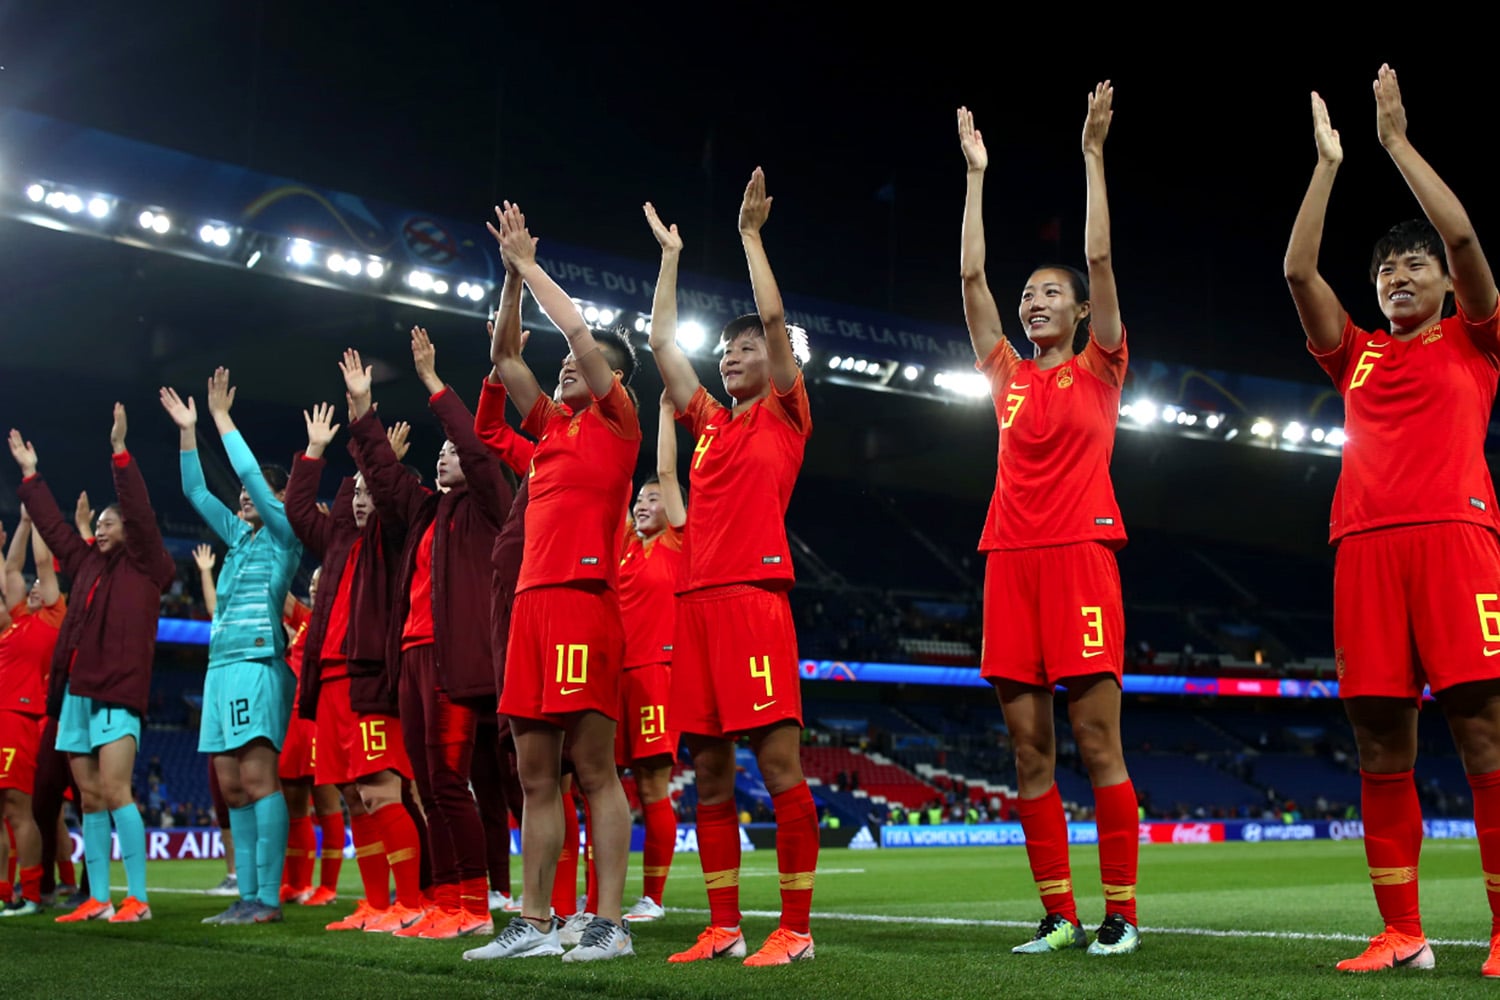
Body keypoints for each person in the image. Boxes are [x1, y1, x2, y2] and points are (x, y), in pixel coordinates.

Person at [1284, 65, 1500, 977]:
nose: (1397, 273)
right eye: (1385, 266)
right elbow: (1298, 269)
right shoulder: (1357, 358)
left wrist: (1396, 143)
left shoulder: (1473, 337)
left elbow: (1457, 231)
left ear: (1447, 287)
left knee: (1482, 732)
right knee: (1380, 740)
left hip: (1455, 538)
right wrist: (1329, 165)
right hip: (1363, 550)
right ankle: (1403, 932)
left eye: (1413, 265)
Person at [957, 86, 1140, 957]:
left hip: (1079, 556)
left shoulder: (1101, 367)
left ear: (1076, 311)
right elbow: (969, 279)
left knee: (1095, 740)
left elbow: (1101, 262)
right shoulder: (1004, 374)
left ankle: (1121, 915)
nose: (1033, 302)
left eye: (1048, 293)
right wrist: (975, 176)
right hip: (1008, 560)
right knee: (1030, 751)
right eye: (1027, 293)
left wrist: (1094, 157)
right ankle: (1059, 913)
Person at [643, 170, 819, 967]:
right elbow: (659, 346)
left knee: (776, 764)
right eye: (727, 348)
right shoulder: (709, 424)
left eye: (744, 347)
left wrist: (750, 237)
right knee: (709, 772)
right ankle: (722, 924)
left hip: (753, 599)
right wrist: (672, 259)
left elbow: (775, 315)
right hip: (695, 605)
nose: (731, 355)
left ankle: (797, 929)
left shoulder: (786, 412)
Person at [464, 200, 639, 964]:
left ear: (612, 376)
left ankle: (608, 924)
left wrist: (532, 264)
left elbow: (572, 332)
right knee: (535, 776)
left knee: (592, 769)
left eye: (588, 360)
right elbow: (506, 359)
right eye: (569, 363)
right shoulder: (551, 437)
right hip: (530, 609)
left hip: (582, 606)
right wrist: (507, 281)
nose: (570, 363)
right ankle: (534, 921)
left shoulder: (618, 424)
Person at [342, 329, 511, 941]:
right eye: (437, 453)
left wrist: (435, 384)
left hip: (453, 660)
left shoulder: (491, 503)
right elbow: (385, 479)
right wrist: (363, 410)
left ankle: (475, 905)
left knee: (447, 782)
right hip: (409, 659)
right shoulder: (426, 513)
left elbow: (477, 443)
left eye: (451, 451)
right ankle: (445, 900)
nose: (444, 456)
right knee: (428, 787)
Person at [11, 405, 176, 923]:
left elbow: (140, 511)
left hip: (118, 689)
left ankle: (139, 899)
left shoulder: (149, 565)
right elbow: (59, 535)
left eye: (109, 523)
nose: (100, 529)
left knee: (115, 790)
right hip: (75, 693)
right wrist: (31, 477)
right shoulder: (86, 565)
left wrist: (120, 453)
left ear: (130, 528)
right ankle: (98, 897)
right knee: (88, 796)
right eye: (99, 524)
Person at [161, 370, 304, 925]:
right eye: (245, 492)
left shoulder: (284, 533)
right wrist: (188, 431)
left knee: (257, 779)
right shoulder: (238, 538)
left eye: (259, 490)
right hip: (219, 668)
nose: (245, 494)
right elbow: (196, 491)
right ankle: (245, 895)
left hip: (257, 664)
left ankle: (268, 899)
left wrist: (222, 420)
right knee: (229, 785)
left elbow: (245, 471)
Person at [284, 406, 427, 934]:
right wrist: (315, 452)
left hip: (370, 679)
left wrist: (380, 459)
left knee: (383, 789)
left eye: (373, 493)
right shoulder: (340, 542)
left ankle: (410, 900)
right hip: (328, 684)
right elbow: (300, 512)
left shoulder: (394, 539)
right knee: (352, 795)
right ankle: (373, 902)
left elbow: (391, 500)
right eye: (358, 494)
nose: (365, 500)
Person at [612, 394, 688, 924]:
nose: (642, 504)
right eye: (639, 499)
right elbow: (612, 480)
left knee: (651, 786)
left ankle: (653, 898)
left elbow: (667, 469)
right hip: (610, 677)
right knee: (604, 785)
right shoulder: (619, 545)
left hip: (657, 675)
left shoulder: (680, 543)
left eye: (653, 499)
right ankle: (600, 901)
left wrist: (662, 414)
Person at [0, 511, 66, 916]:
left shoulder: (53, 619)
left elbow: (41, 564)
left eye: (44, 584)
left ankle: (33, 892)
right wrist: (21, 527)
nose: (36, 587)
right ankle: (5, 891)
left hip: (22, 719)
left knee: (19, 810)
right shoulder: (16, 621)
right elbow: (11, 568)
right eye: (32, 587)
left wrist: (38, 518)